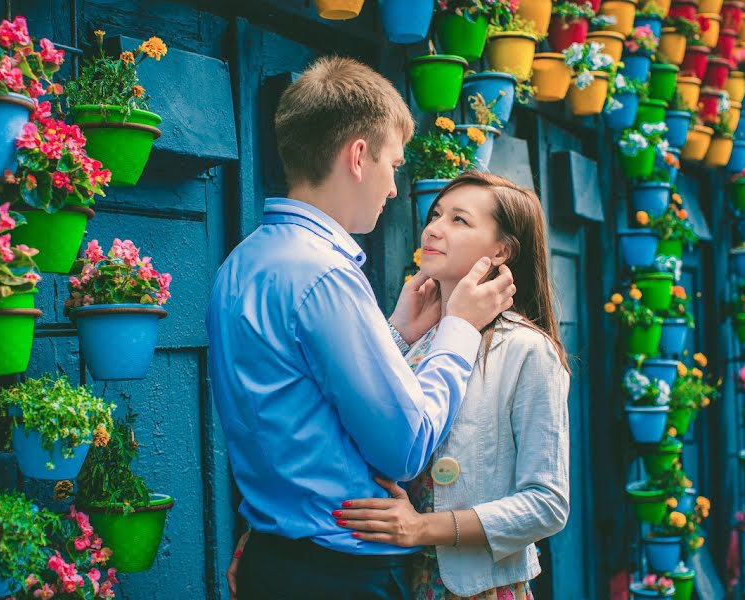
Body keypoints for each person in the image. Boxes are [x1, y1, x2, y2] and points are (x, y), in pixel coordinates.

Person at [206, 57, 517, 600]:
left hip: (272, 562)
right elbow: (404, 446)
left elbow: (302, 402)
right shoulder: (325, 274)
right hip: (338, 574)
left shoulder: (241, 263)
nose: (395, 188)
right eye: (394, 164)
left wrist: (393, 334)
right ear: (357, 156)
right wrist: (460, 330)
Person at [334, 172, 571, 600]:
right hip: (383, 578)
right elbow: (352, 420)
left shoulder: (526, 350)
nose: (434, 228)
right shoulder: (418, 338)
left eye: (460, 220)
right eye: (436, 214)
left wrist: (422, 528)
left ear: (502, 250)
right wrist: (396, 334)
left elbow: (547, 503)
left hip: (476, 587)